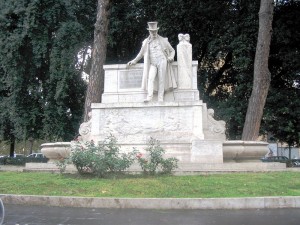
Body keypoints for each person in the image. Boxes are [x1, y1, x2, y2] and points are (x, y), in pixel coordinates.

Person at [127, 22, 177, 102]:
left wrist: (171, 57)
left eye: (155, 31)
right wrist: (133, 61)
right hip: (153, 63)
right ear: (149, 32)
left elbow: (172, 50)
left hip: (162, 60)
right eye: (152, 31)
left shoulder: (163, 40)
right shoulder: (146, 42)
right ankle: (149, 97)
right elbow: (141, 53)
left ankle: (160, 98)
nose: (154, 33)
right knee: (150, 78)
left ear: (157, 31)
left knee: (161, 80)